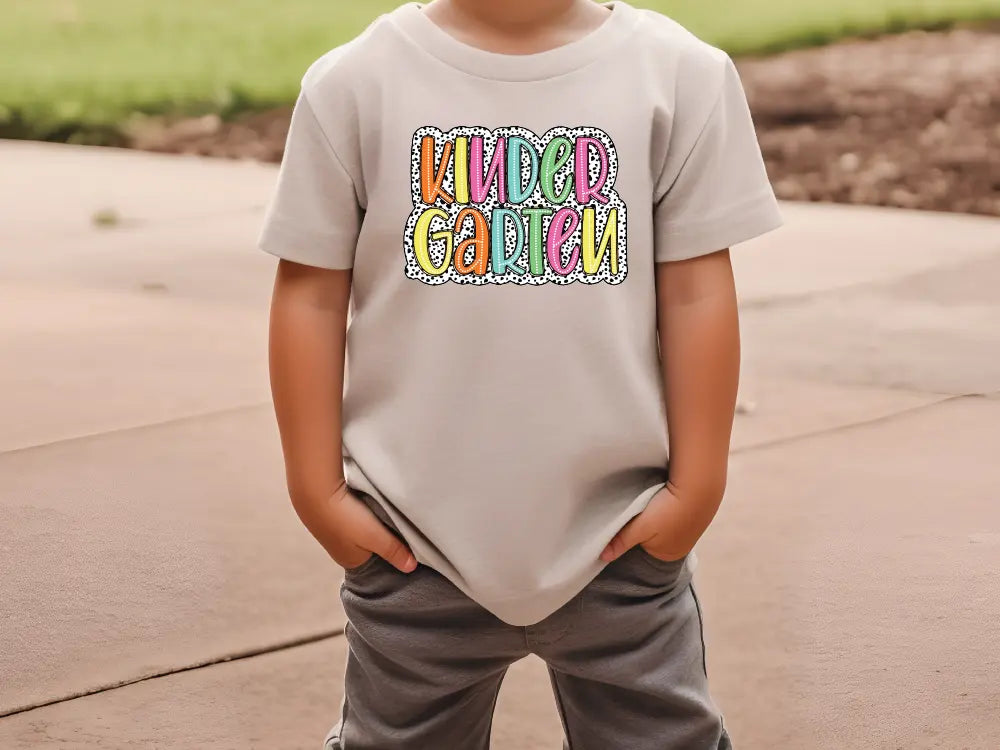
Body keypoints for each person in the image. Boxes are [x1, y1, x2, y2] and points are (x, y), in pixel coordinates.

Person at [258, 0, 783, 747]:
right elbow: (309, 294)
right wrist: (317, 491)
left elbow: (698, 292)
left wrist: (697, 487)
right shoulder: (355, 84)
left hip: (620, 538)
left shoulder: (678, 76)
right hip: (411, 542)